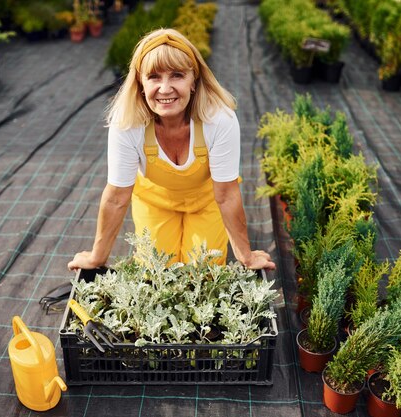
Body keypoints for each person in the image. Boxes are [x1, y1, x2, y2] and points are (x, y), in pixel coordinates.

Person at [68, 28, 275, 271]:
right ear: (141, 84)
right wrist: (96, 258)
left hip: (206, 200)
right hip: (155, 201)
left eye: (177, 75)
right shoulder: (127, 123)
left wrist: (246, 255)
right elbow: (116, 198)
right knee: (157, 268)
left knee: (203, 269)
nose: (165, 89)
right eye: (154, 77)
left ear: (194, 81)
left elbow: (227, 194)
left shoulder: (219, 119)